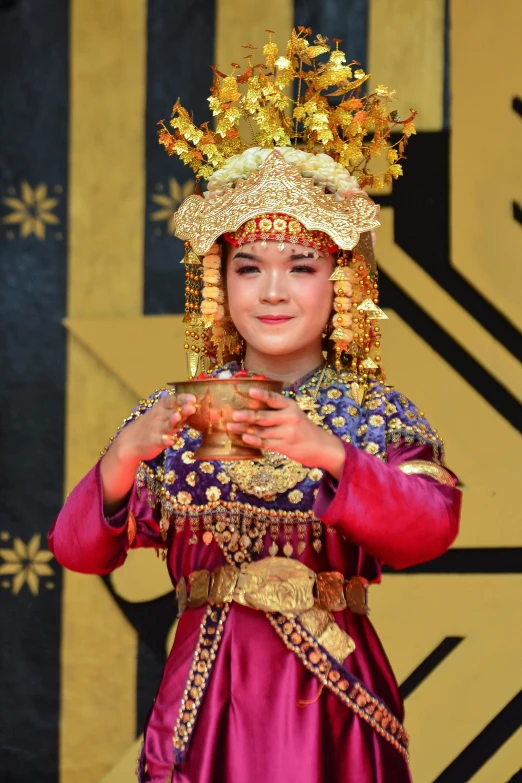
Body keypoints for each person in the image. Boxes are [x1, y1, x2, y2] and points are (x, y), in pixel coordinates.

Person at [49, 30, 461, 783]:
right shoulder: (174, 417)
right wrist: (122, 457)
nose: (273, 291)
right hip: (207, 707)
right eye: (249, 267)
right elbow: (79, 549)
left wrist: (330, 454)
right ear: (220, 284)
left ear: (339, 281)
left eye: (301, 266)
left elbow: (431, 527)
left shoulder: (372, 415)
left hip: (331, 709)